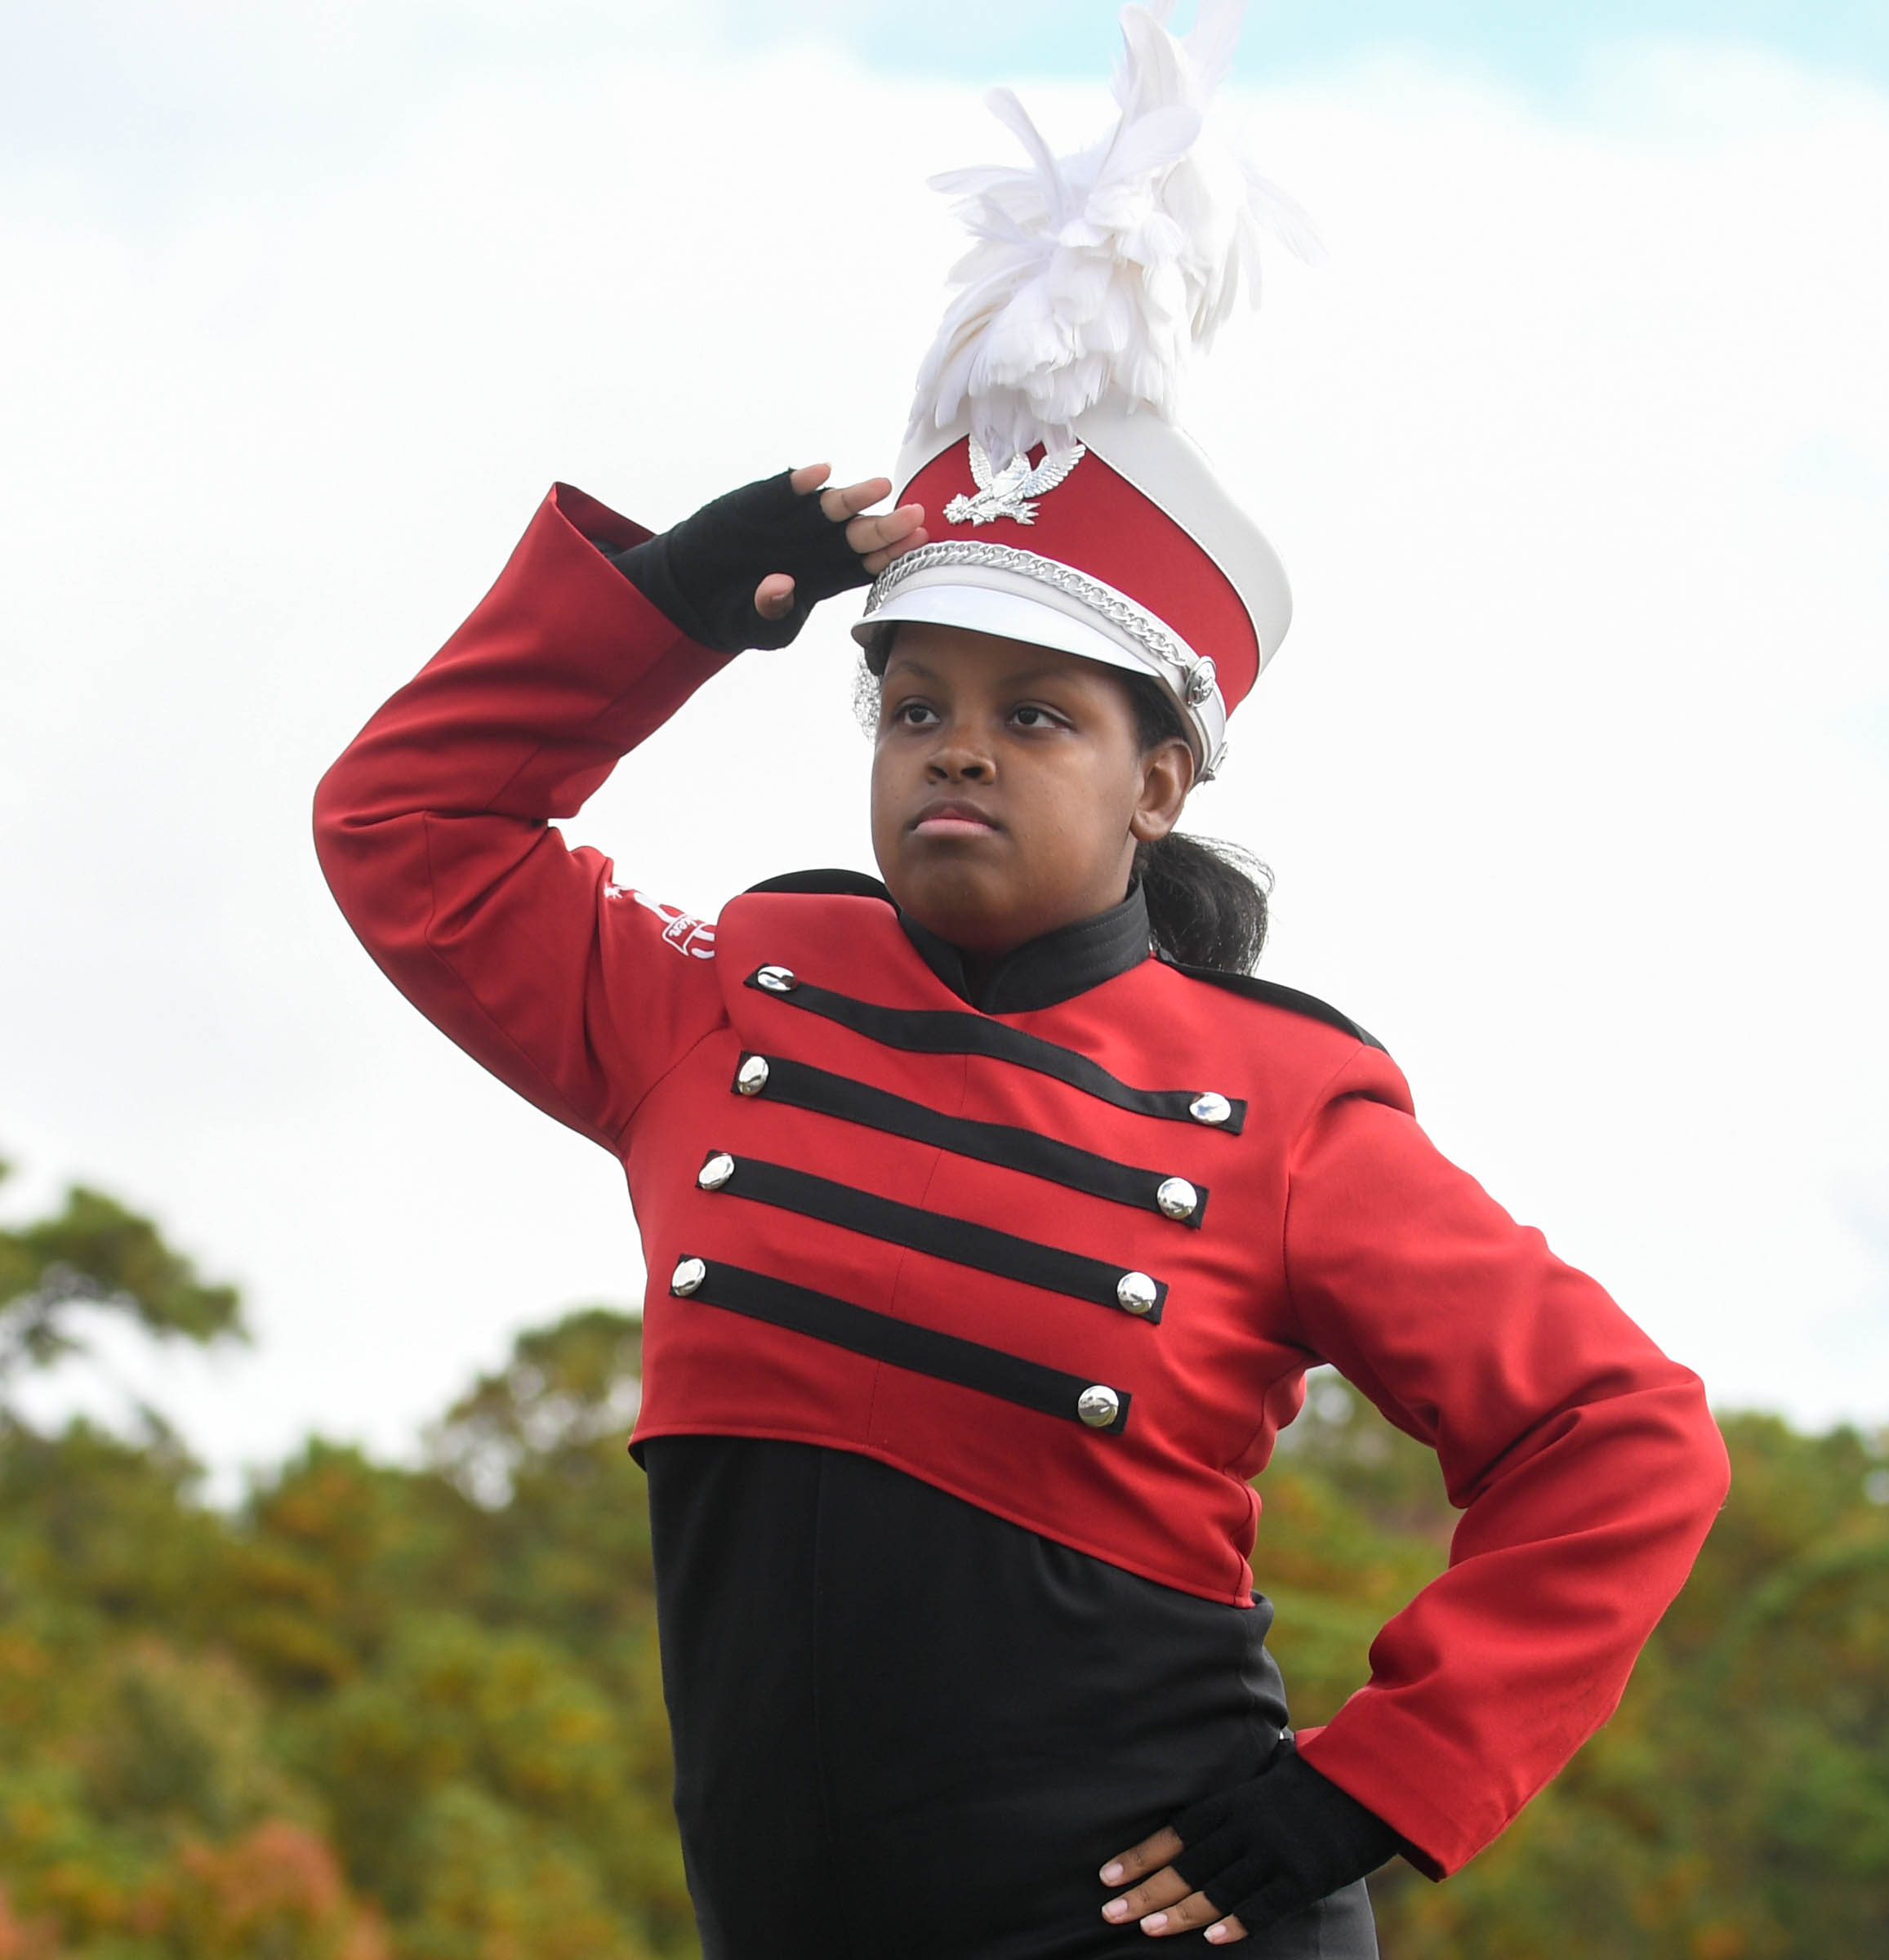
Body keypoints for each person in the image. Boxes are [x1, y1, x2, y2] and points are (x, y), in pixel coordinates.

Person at [313, 6, 1729, 1954]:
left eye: (1034, 716)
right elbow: (411, 831)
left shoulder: (1284, 1112)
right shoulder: (728, 1005)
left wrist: (1370, 1787)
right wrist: (664, 615)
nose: (955, 748)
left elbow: (1621, 1434)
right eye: (914, 704)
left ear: (1158, 781)